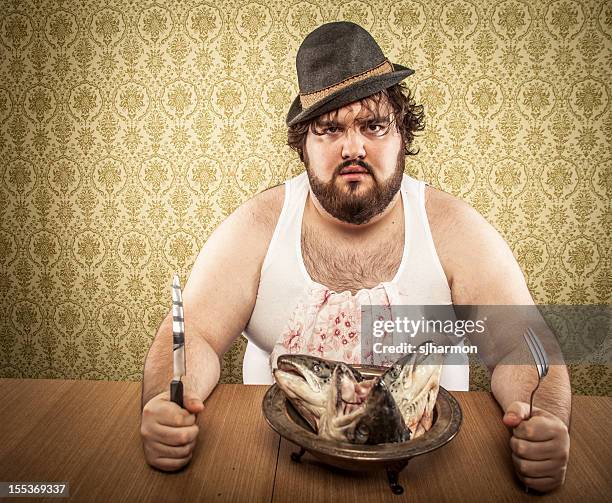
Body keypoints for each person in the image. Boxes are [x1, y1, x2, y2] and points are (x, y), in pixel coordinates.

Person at [140, 22, 570, 492]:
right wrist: (164, 402)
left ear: (402, 133)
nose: (353, 148)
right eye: (329, 129)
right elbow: (192, 333)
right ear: (303, 144)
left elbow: (522, 344)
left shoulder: (453, 228)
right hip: (278, 471)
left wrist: (544, 421)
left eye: (373, 125)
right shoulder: (258, 225)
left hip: (432, 478)